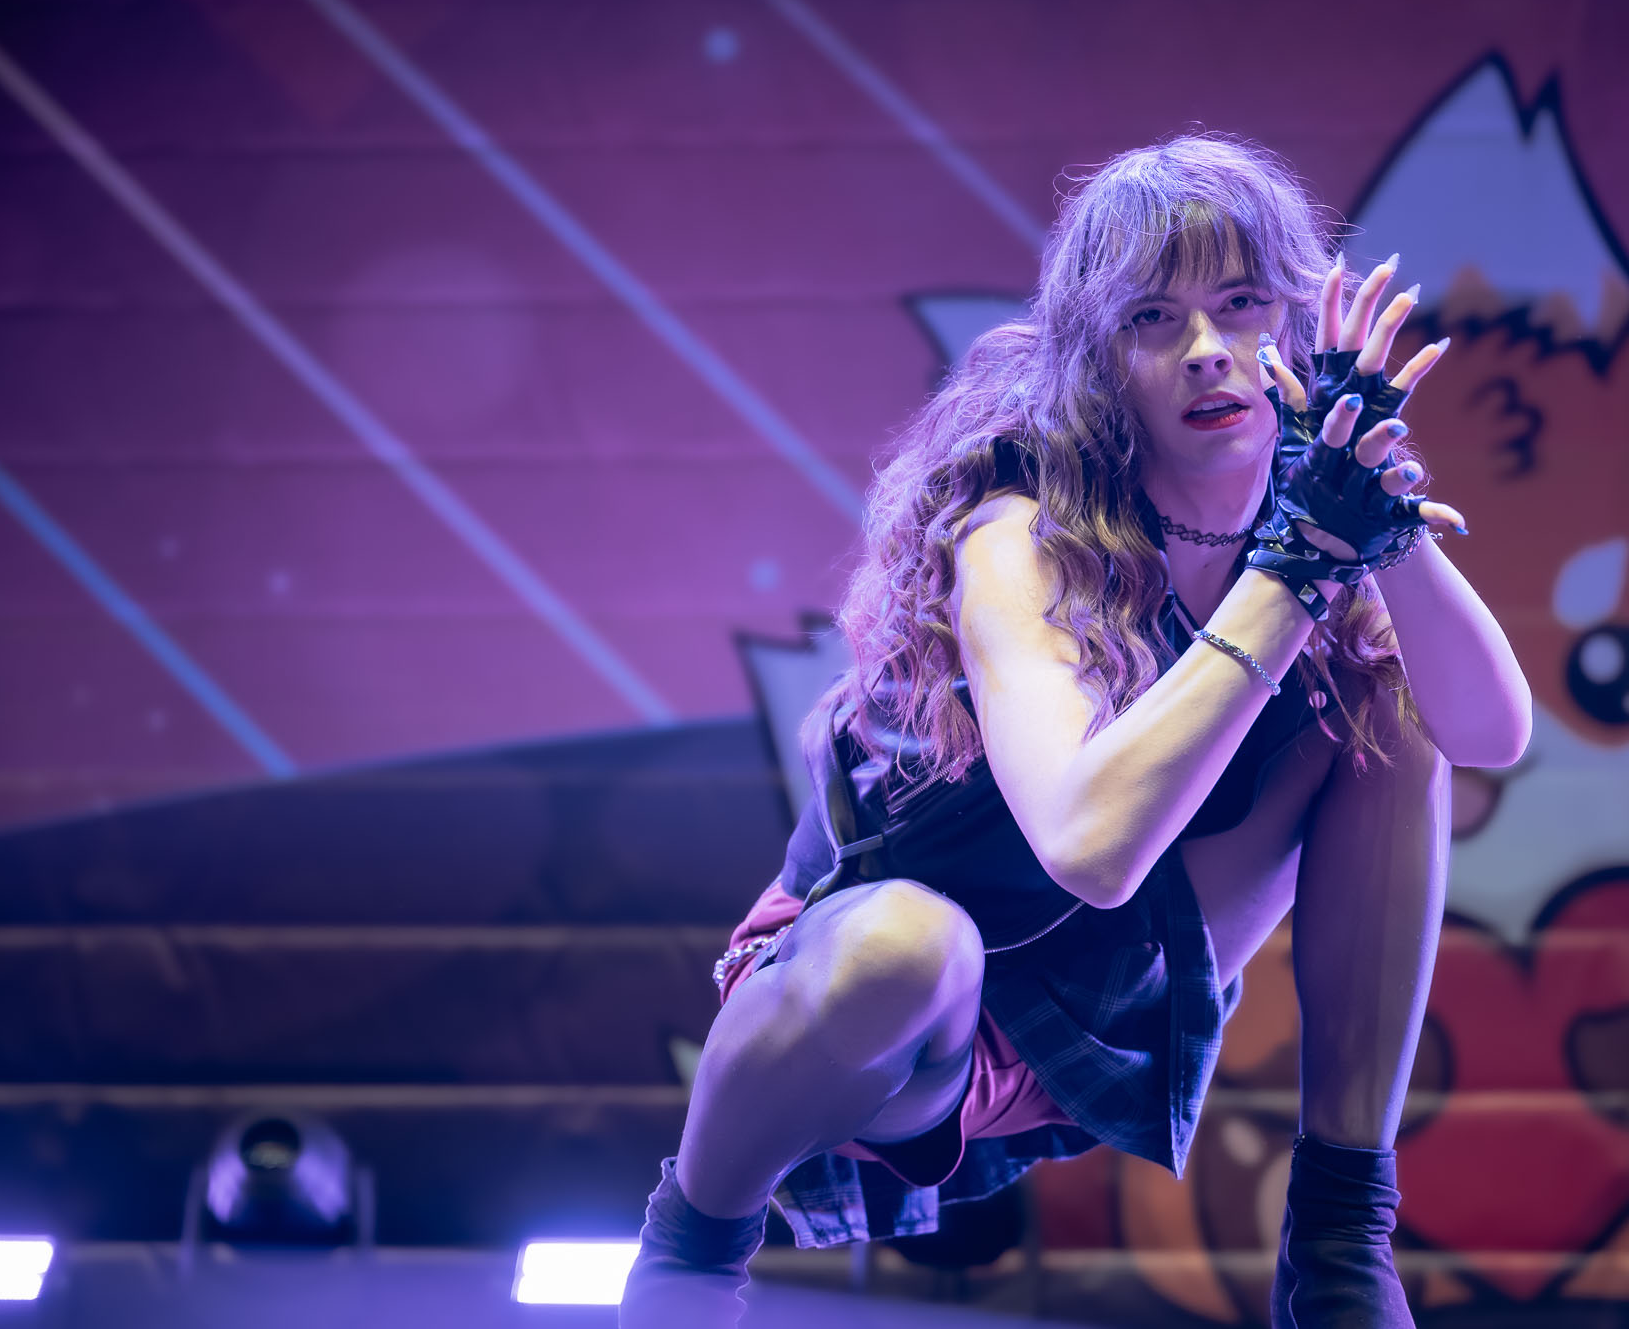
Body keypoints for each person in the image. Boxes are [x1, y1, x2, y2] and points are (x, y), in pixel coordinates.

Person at [619, 132, 1531, 1328]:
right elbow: (1089, 849)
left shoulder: (1311, 512)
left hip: (1118, 988)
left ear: (1298, 326)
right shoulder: (1018, 528)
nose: (1205, 349)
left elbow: (1486, 732)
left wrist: (1380, 519)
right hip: (899, 1003)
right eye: (1153, 318)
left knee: (1386, 696)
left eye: (1241, 303)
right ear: (1100, 361)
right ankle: (691, 1243)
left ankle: (1339, 1237)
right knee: (904, 948)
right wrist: (1300, 563)